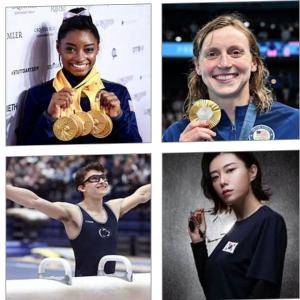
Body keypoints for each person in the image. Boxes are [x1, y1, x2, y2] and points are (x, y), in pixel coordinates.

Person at [163, 14, 299, 141]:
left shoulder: (293, 122)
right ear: (198, 66)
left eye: (235, 52)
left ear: (254, 63)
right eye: (212, 54)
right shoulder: (176, 135)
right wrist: (182, 155)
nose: (224, 64)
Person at [16, 7, 142, 145]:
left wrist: (118, 117)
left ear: (97, 49)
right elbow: (22, 147)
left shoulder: (118, 93)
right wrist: (49, 117)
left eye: (88, 49)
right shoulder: (36, 96)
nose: (80, 58)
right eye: (70, 49)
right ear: (58, 47)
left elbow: (136, 144)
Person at [6, 161, 151, 277]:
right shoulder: (73, 212)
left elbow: (142, 195)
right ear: (82, 188)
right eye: (95, 179)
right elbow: (34, 201)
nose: (102, 181)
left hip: (110, 284)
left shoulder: (114, 207)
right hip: (84, 287)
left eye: (103, 178)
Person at [188, 152, 287, 299]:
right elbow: (213, 287)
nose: (222, 181)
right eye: (215, 177)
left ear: (252, 172)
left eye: (230, 170)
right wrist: (198, 242)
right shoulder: (236, 228)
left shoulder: (269, 221)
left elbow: (264, 291)